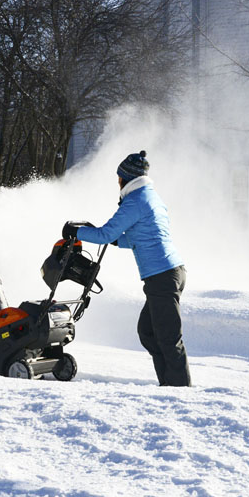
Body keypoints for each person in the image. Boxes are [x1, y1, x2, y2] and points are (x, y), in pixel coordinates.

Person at [62, 150, 191, 387]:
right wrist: (113, 239)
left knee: (169, 339)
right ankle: (169, 385)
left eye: (119, 177)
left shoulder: (135, 201)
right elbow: (136, 238)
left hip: (162, 276)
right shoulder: (151, 197)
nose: (118, 182)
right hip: (169, 273)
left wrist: (75, 232)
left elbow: (104, 234)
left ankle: (180, 392)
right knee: (149, 333)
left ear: (126, 178)